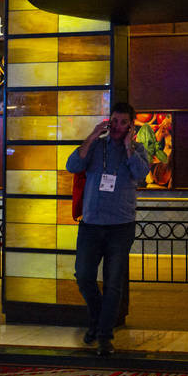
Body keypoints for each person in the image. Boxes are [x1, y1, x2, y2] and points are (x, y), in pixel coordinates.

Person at [65, 102, 149, 356]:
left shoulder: (138, 150)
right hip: (91, 225)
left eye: (124, 123)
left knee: (113, 283)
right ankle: (98, 320)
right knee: (83, 276)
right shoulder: (96, 147)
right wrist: (91, 136)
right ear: (108, 121)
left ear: (131, 126)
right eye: (114, 121)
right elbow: (72, 165)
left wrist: (128, 148)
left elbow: (142, 173)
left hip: (120, 227)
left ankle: (103, 335)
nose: (117, 126)